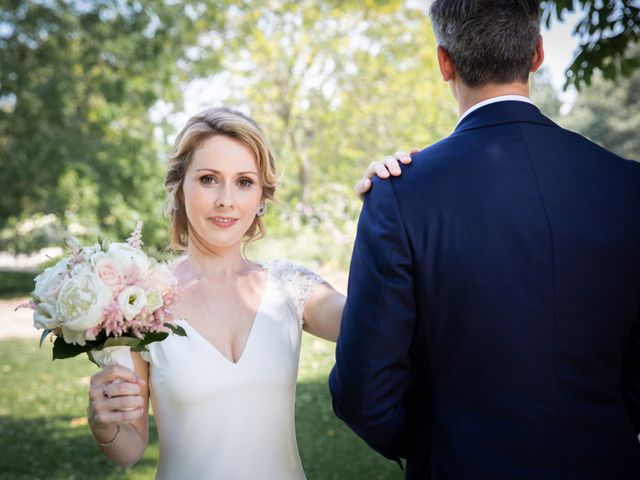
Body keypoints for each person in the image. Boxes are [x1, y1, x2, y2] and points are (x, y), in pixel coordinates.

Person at [329, 1, 640, 479]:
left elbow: (362, 390)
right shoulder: (628, 187)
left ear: (444, 62)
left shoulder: (400, 194)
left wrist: (436, 440)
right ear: (537, 53)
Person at [85, 106, 409, 479]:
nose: (227, 199)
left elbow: (384, 322)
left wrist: (394, 197)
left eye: (244, 182)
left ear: (261, 197)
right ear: (179, 188)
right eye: (208, 179)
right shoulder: (140, 301)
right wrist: (103, 423)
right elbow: (129, 449)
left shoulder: (289, 287)